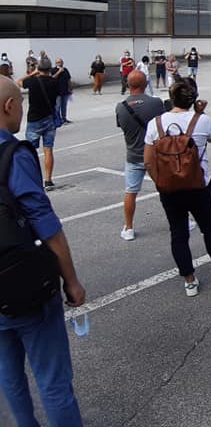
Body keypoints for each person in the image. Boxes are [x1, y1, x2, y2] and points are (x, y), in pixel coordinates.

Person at [0, 75, 86, 426]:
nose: (21, 109)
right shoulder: (13, 155)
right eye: (19, 103)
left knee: (9, 375)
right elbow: (45, 223)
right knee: (52, 379)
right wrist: (71, 280)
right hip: (24, 286)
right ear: (8, 106)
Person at [143, 79, 211, 296]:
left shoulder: (155, 124)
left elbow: (148, 160)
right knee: (210, 229)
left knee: (178, 233)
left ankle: (189, 280)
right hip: (198, 185)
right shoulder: (202, 121)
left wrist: (161, 182)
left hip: (169, 188)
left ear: (171, 98)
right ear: (193, 99)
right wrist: (200, 113)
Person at [115, 70, 166, 241]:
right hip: (155, 155)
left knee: (130, 192)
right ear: (145, 84)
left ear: (128, 85)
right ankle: (183, 220)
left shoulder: (121, 106)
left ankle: (129, 228)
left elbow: (122, 126)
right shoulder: (156, 103)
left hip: (133, 155)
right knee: (168, 189)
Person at [17, 59, 60, 190]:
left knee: (30, 151)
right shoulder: (54, 82)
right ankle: (48, 180)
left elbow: (19, 82)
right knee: (48, 149)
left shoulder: (33, 81)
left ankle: (32, 180)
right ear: (49, 68)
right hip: (49, 118)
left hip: (34, 119)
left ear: (38, 69)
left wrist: (32, 73)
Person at [52, 59, 72, 126]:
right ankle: (58, 120)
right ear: (55, 63)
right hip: (57, 92)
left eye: (60, 62)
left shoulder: (65, 69)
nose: (59, 63)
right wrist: (59, 72)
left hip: (65, 91)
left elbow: (69, 79)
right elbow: (52, 78)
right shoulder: (53, 70)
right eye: (58, 62)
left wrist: (70, 88)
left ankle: (64, 118)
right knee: (57, 107)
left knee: (64, 106)